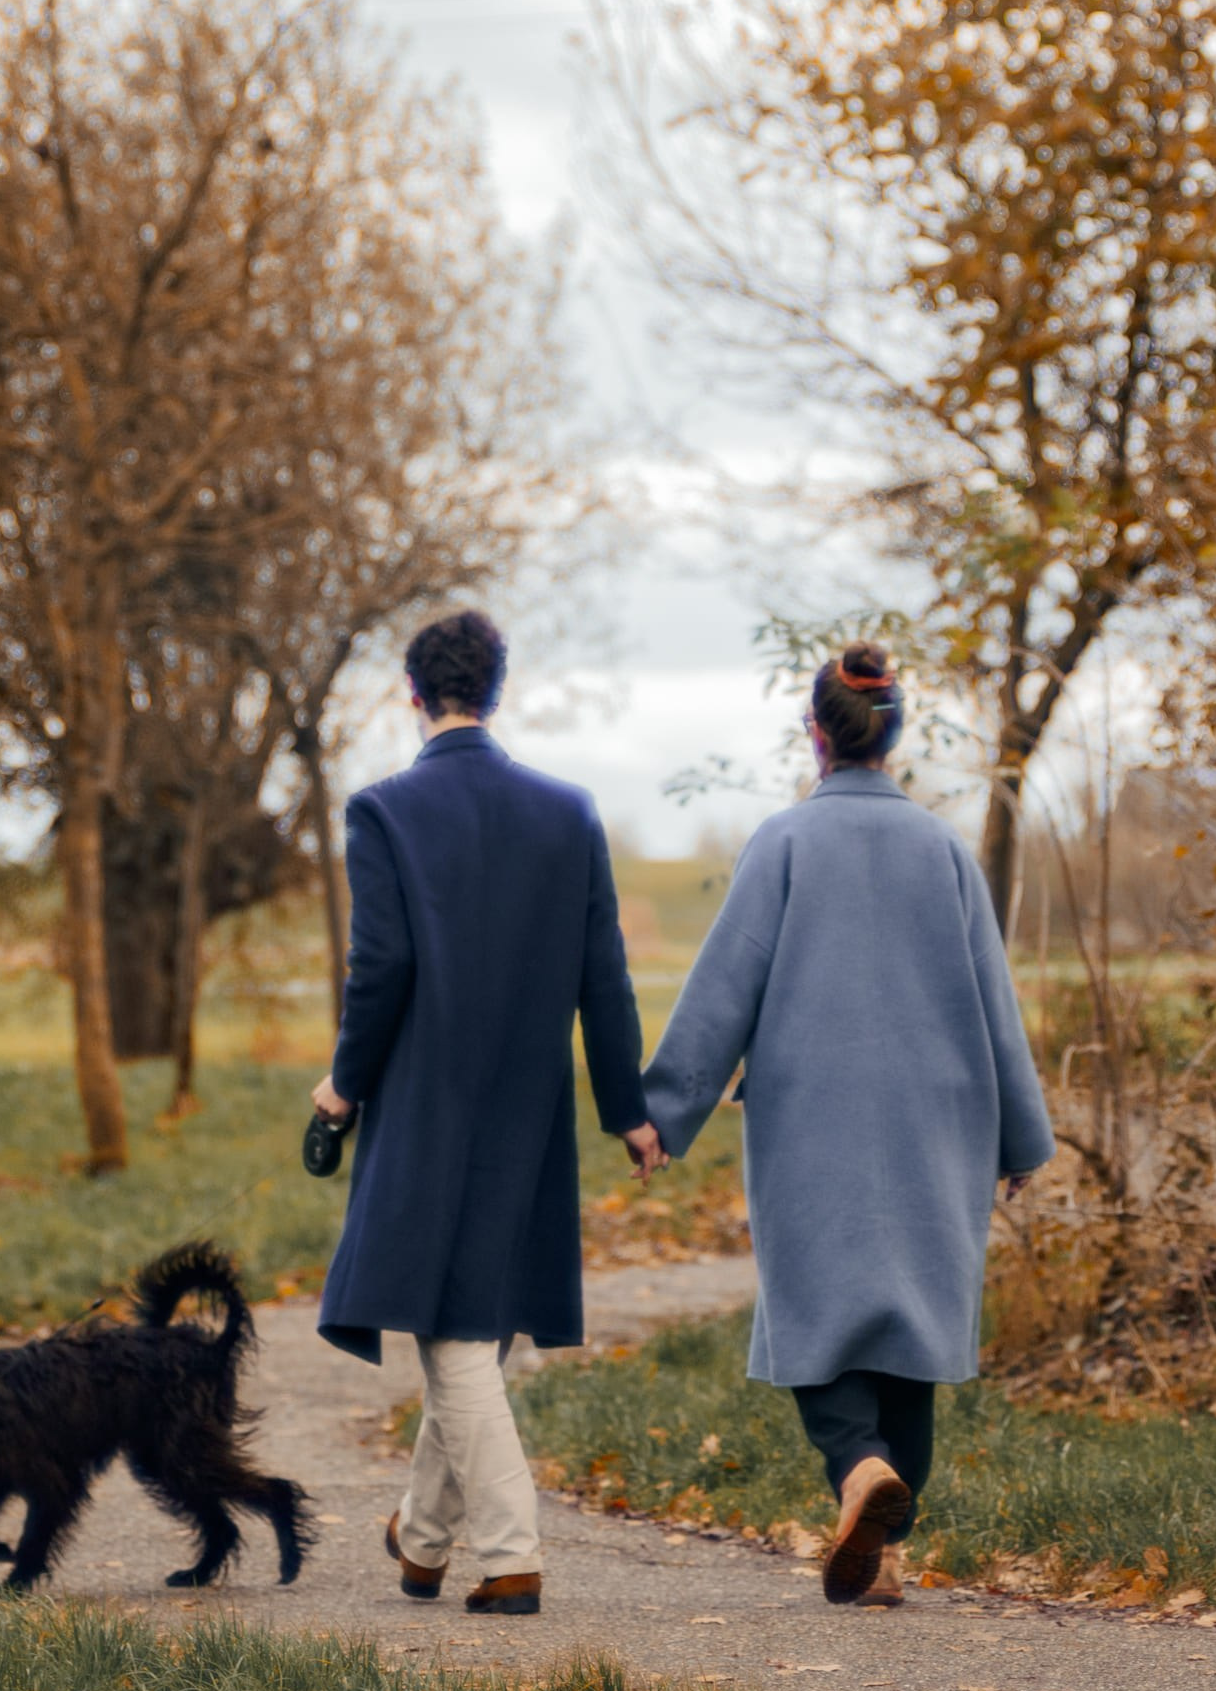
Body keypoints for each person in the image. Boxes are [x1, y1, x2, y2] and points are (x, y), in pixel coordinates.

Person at [639, 643, 1054, 1607]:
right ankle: (889, 1552)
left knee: (812, 1313)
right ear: (893, 736)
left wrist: (663, 1115)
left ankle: (859, 1470)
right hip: (938, 1126)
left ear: (815, 736)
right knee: (911, 1324)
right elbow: (997, 1000)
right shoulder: (947, 850)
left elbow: (721, 992)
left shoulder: (783, 842)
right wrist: (1021, 1137)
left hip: (813, 1120)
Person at [311, 608, 662, 1619]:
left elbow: (380, 968)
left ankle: (510, 1556)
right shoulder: (568, 812)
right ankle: (420, 1542)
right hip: (528, 1109)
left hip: (427, 1103)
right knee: (474, 1326)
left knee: (457, 1345)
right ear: (495, 691)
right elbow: (605, 977)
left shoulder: (382, 812)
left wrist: (343, 1086)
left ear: (410, 694)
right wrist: (625, 1110)